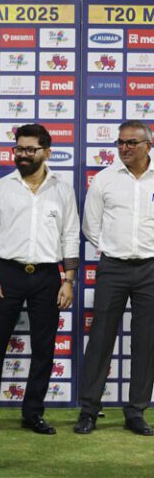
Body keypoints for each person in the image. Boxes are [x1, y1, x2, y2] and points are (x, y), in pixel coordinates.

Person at [0, 124, 79, 434]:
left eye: (30, 150)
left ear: (46, 152)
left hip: (47, 276)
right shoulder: (1, 188)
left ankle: (33, 413)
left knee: (44, 349)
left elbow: (70, 235)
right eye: (19, 149)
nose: (23, 155)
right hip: (6, 274)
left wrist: (68, 279)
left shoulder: (63, 189)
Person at [75, 121, 154, 436]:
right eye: (121, 143)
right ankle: (89, 410)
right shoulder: (105, 180)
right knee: (100, 340)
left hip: (151, 268)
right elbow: (91, 226)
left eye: (131, 143)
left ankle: (136, 412)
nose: (124, 148)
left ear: (148, 144)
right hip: (112, 267)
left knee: (147, 342)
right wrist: (113, 249)